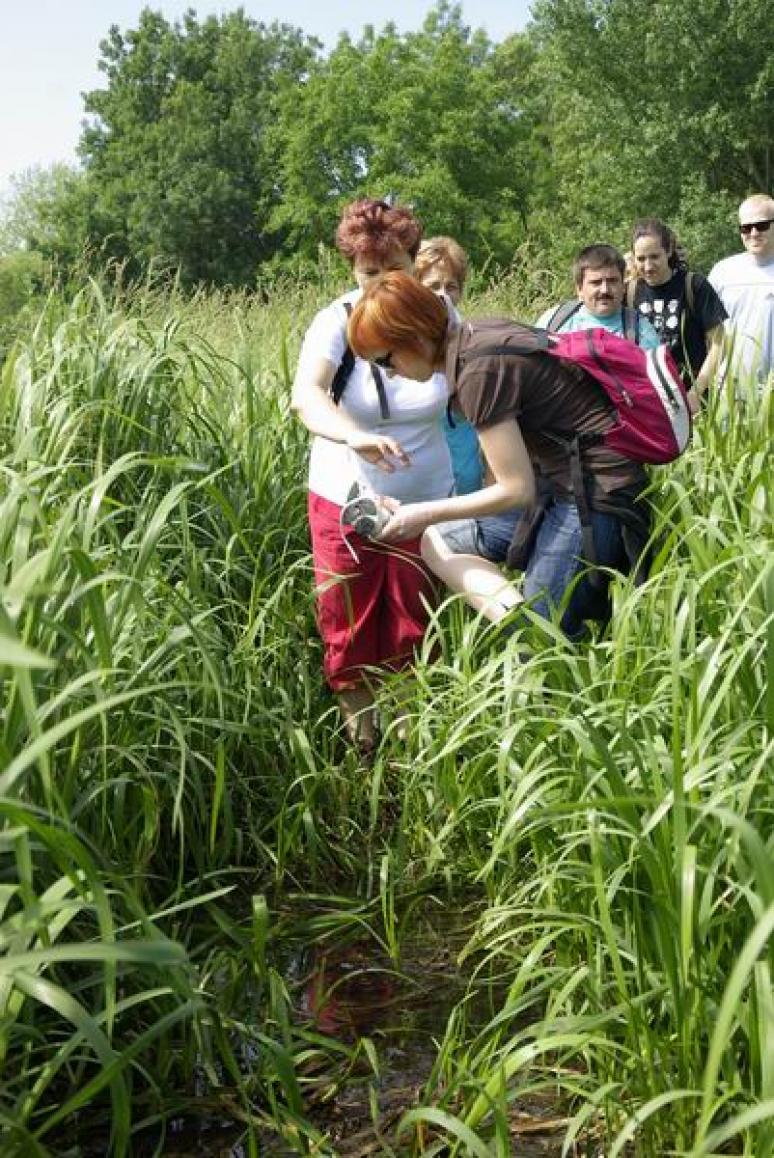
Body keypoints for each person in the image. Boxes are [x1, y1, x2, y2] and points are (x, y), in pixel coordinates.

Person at [346, 272, 652, 642]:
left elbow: (516, 490)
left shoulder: (478, 371)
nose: (390, 374)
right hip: (562, 483)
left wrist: (422, 512)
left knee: (542, 647)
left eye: (385, 360)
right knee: (439, 540)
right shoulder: (477, 336)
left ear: (413, 336)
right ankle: (525, 622)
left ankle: (535, 635)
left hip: (594, 493)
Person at [291, 200, 454, 751]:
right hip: (345, 499)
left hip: (427, 502)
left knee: (418, 622)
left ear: (416, 263)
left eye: (396, 272)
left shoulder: (443, 317)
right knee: (349, 622)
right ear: (350, 271)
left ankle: (411, 747)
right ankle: (363, 746)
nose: (382, 287)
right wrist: (351, 433)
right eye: (367, 275)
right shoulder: (333, 321)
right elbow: (307, 395)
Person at [626, 218, 727, 411]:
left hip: (691, 398)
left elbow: (719, 342)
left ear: (669, 251)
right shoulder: (629, 292)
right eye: (641, 259)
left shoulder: (694, 285)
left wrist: (696, 393)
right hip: (646, 400)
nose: (648, 266)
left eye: (654, 257)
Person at [414, 236, 483, 496]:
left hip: (466, 467)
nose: (443, 294)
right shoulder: (402, 345)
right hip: (421, 471)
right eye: (432, 285)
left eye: (451, 286)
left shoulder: (474, 339)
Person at [536, 244, 661, 349]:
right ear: (579, 289)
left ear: (623, 286)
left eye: (612, 281)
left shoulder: (641, 332)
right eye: (596, 282)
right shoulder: (553, 322)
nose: (604, 290)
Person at [709, 193, 774, 385]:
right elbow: (707, 332)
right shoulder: (722, 272)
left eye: (762, 225)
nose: (754, 233)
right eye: (746, 228)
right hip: (730, 389)